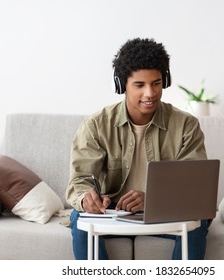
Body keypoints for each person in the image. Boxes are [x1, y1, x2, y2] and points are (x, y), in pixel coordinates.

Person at [65, 38, 210, 260]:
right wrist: (87, 198)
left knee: (197, 221)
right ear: (122, 85)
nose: (150, 93)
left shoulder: (186, 125)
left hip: (166, 210)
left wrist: (153, 199)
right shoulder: (96, 125)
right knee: (79, 217)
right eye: (140, 85)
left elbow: (194, 189)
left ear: (166, 81)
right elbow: (81, 179)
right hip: (112, 210)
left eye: (156, 83)